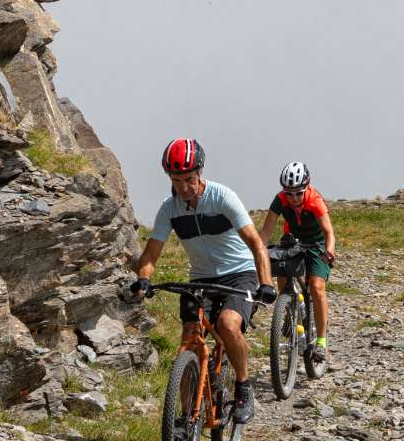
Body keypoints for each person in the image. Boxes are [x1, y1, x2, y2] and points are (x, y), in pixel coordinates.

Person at [128, 139, 275, 424]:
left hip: (240, 274)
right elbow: (150, 254)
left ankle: (244, 387)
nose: (184, 187)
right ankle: (185, 417)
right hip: (201, 279)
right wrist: (144, 279)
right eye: (176, 180)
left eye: (189, 179)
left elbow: (256, 243)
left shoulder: (222, 197)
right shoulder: (169, 209)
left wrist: (266, 282)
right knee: (190, 340)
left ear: (200, 172)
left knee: (227, 325)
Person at [259, 161, 336, 364]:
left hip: (317, 245)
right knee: (282, 272)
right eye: (289, 193)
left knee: (316, 287)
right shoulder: (280, 200)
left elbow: (329, 232)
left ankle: (321, 342)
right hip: (293, 241)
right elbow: (266, 232)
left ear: (307, 188)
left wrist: (329, 251)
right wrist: (257, 252)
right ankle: (287, 313)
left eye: (298, 193)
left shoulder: (315, 201)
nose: (293, 198)